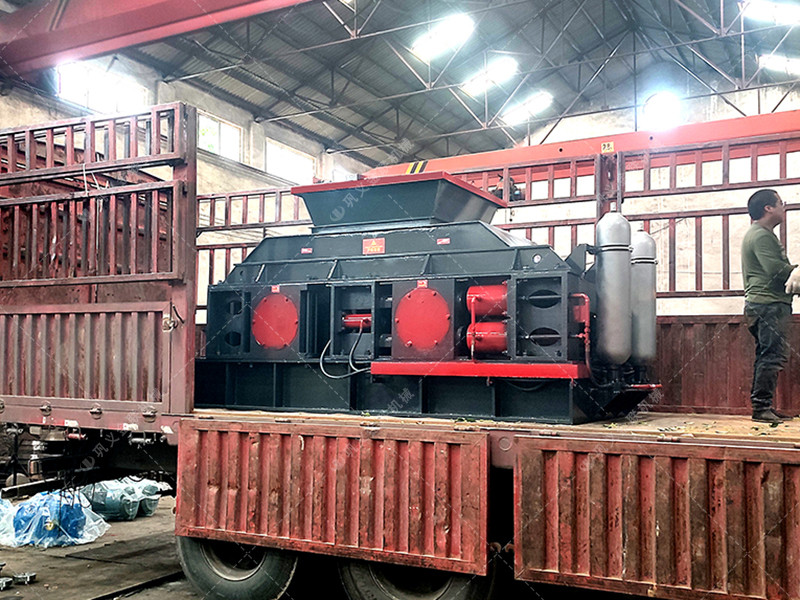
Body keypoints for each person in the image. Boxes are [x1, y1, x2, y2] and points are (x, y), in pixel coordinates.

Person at [742, 189, 797, 423]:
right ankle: (761, 407)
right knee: (772, 356)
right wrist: (796, 272)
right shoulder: (761, 235)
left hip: (763, 305)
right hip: (768, 305)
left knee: (767, 355)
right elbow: (776, 271)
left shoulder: (759, 234)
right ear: (768, 208)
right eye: (780, 203)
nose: (784, 208)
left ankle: (763, 406)